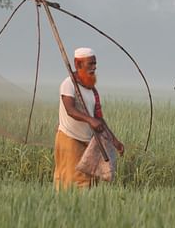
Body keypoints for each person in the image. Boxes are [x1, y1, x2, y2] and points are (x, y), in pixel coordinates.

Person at [53, 47, 125, 190]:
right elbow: (70, 110)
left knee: (88, 181)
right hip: (70, 139)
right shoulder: (69, 84)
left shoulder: (92, 91)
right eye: (90, 64)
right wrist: (90, 120)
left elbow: (99, 119)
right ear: (78, 64)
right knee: (71, 181)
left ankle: (84, 210)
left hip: (88, 142)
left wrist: (115, 141)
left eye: (95, 64)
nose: (94, 67)